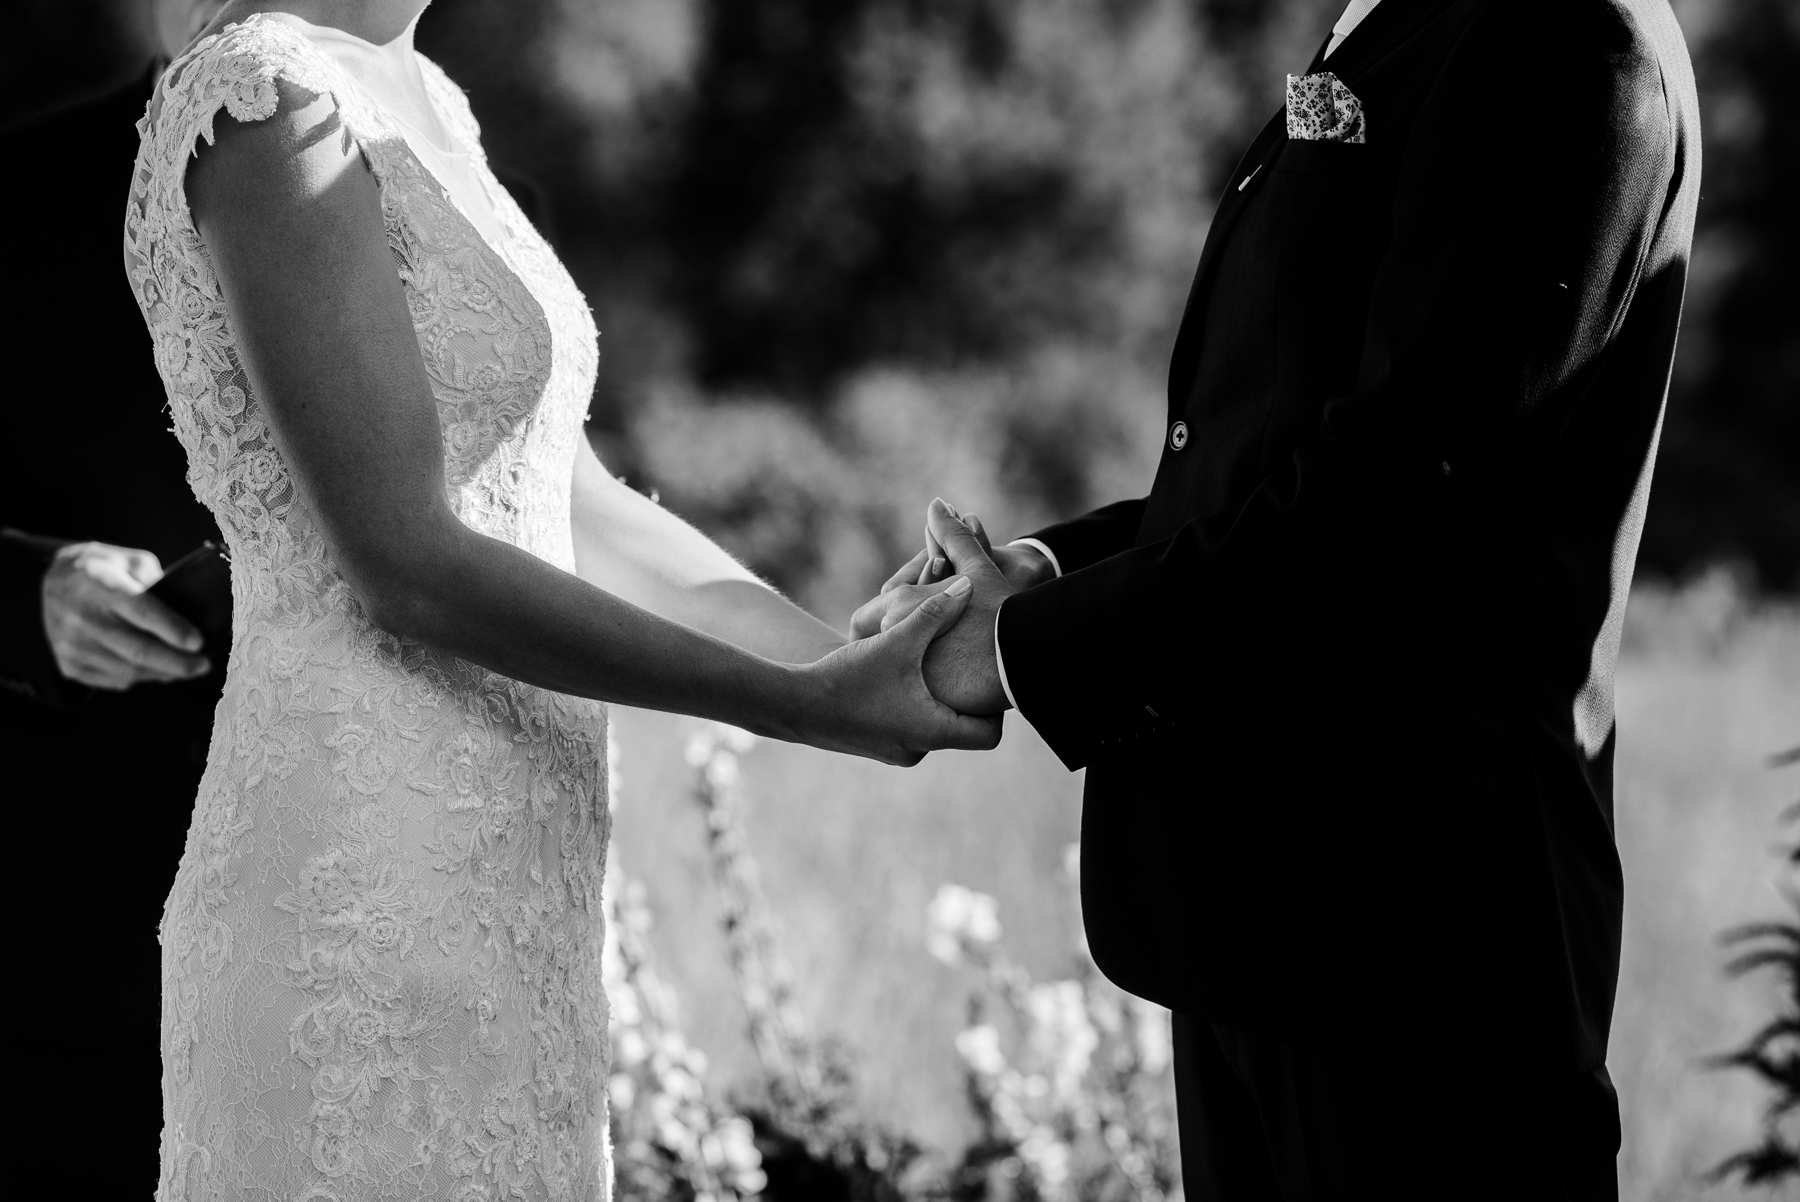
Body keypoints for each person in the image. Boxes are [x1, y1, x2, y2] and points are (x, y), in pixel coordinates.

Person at [128, 1, 996, 1198]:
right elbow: (408, 563)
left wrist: (846, 655)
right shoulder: (263, 101)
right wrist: (795, 708)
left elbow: (574, 501)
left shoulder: (422, 96)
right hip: (361, 887)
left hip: (523, 891)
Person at [857, 0, 1700, 1198]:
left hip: (1411, 955)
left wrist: (1022, 651)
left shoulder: (1559, 38)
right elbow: (1278, 450)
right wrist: (1042, 573)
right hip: (1274, 934)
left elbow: (1397, 505)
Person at [0, 0, 225, 1192]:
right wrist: (26, 590)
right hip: (89, 928)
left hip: (404, 893)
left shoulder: (468, 198)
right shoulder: (15, 195)